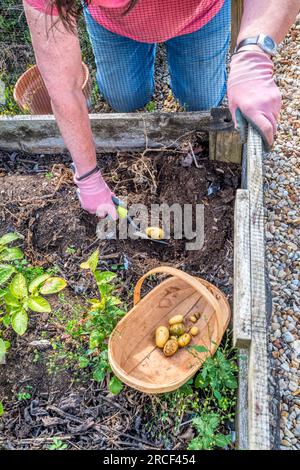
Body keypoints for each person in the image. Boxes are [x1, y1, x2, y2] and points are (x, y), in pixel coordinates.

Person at [23, 0, 299, 219]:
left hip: (200, 15)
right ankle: (145, 59)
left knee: (201, 102)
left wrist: (254, 52)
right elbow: (65, 89)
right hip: (114, 29)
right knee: (125, 101)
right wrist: (87, 176)